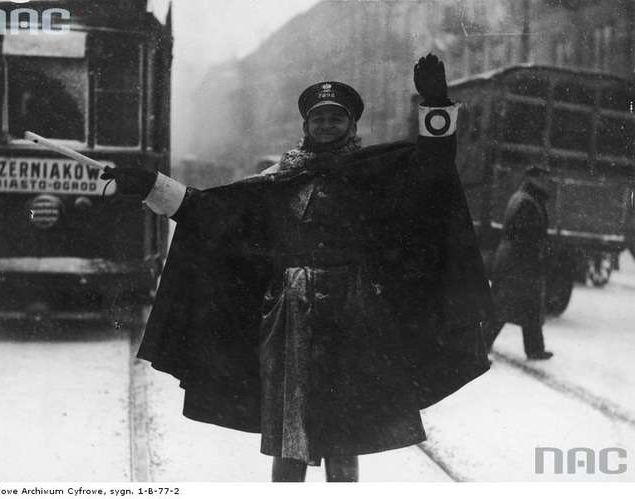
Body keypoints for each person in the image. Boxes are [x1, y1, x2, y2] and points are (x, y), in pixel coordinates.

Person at [102, 54, 493, 481]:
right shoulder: (279, 179)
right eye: (318, 118)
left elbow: (435, 168)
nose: (326, 124)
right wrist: (150, 184)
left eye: (336, 118)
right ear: (306, 126)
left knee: (346, 428)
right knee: (288, 424)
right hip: (288, 318)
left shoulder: (375, 174)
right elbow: (213, 212)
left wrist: (435, 104)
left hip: (354, 315)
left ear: (352, 126)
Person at [486, 166, 554, 360]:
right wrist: (536, 252)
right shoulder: (527, 202)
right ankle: (479, 345)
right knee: (503, 306)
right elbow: (524, 234)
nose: (547, 183)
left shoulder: (525, 197)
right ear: (534, 179)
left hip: (517, 259)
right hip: (518, 262)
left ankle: (535, 349)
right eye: (544, 178)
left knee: (530, 306)